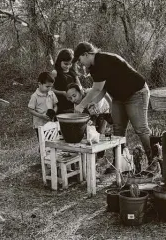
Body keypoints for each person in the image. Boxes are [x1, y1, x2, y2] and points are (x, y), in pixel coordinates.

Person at [72, 41, 157, 173]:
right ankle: (119, 163)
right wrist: (91, 104)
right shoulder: (94, 67)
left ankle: (154, 162)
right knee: (118, 130)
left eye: (80, 59)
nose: (80, 63)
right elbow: (102, 90)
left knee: (140, 128)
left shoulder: (103, 60)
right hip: (119, 97)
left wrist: (81, 105)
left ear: (86, 54)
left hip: (136, 93)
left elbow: (96, 89)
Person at [28, 72, 58, 139]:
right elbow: (30, 110)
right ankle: (42, 150)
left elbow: (55, 105)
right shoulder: (35, 96)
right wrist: (41, 116)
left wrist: (53, 112)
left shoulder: (51, 93)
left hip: (50, 122)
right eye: (47, 86)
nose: (49, 89)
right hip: (40, 124)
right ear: (39, 84)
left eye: (51, 87)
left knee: (52, 140)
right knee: (43, 142)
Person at [52, 48, 81, 114]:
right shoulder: (55, 73)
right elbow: (50, 89)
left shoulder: (73, 72)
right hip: (61, 103)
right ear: (60, 61)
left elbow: (79, 86)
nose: (68, 66)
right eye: (65, 64)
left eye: (70, 64)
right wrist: (62, 93)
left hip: (73, 102)